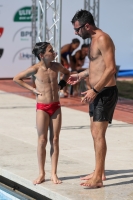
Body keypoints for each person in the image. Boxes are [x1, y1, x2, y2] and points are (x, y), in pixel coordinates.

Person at [67, 9, 118, 188]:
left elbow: (111, 69)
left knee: (98, 134)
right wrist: (81, 75)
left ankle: (97, 178)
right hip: (95, 93)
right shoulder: (93, 41)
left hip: (104, 93)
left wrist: (95, 90)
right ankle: (99, 172)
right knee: (94, 133)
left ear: (86, 26)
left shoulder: (103, 39)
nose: (76, 33)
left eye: (77, 29)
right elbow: (97, 67)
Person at [13, 42, 70, 185]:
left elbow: (67, 73)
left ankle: (54, 173)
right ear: (42, 55)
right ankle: (41, 173)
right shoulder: (35, 69)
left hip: (56, 106)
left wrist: (61, 85)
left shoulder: (56, 66)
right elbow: (16, 78)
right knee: (42, 140)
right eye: (51, 51)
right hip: (42, 107)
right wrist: (32, 90)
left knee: (55, 139)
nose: (54, 52)